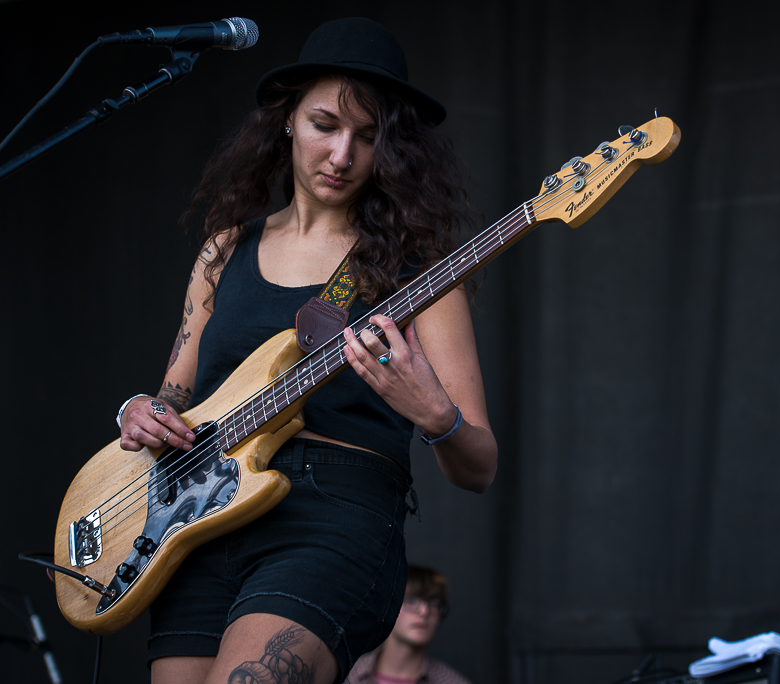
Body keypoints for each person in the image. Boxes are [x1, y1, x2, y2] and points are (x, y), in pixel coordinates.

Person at [114, 18, 497, 684]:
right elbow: (175, 394)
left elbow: (480, 468)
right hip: (202, 521)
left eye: (368, 136)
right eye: (325, 124)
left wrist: (433, 413)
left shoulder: (420, 274)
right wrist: (141, 412)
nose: (342, 155)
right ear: (287, 120)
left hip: (332, 518)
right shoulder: (224, 249)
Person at [347, 565, 470, 684]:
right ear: (388, 606)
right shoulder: (345, 676)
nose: (424, 611)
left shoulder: (452, 681)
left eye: (433, 602)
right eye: (410, 600)